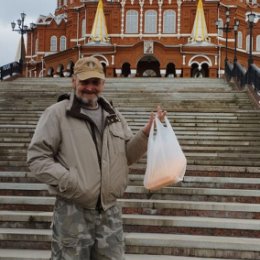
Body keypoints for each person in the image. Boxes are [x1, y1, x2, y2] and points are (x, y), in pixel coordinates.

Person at [27, 56, 166, 260]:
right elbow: (37, 158)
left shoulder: (114, 115)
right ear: (74, 81)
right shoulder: (56, 114)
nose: (90, 87)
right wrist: (70, 182)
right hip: (73, 210)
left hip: (109, 212)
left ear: (103, 83)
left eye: (95, 82)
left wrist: (146, 132)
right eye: (84, 82)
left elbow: (126, 156)